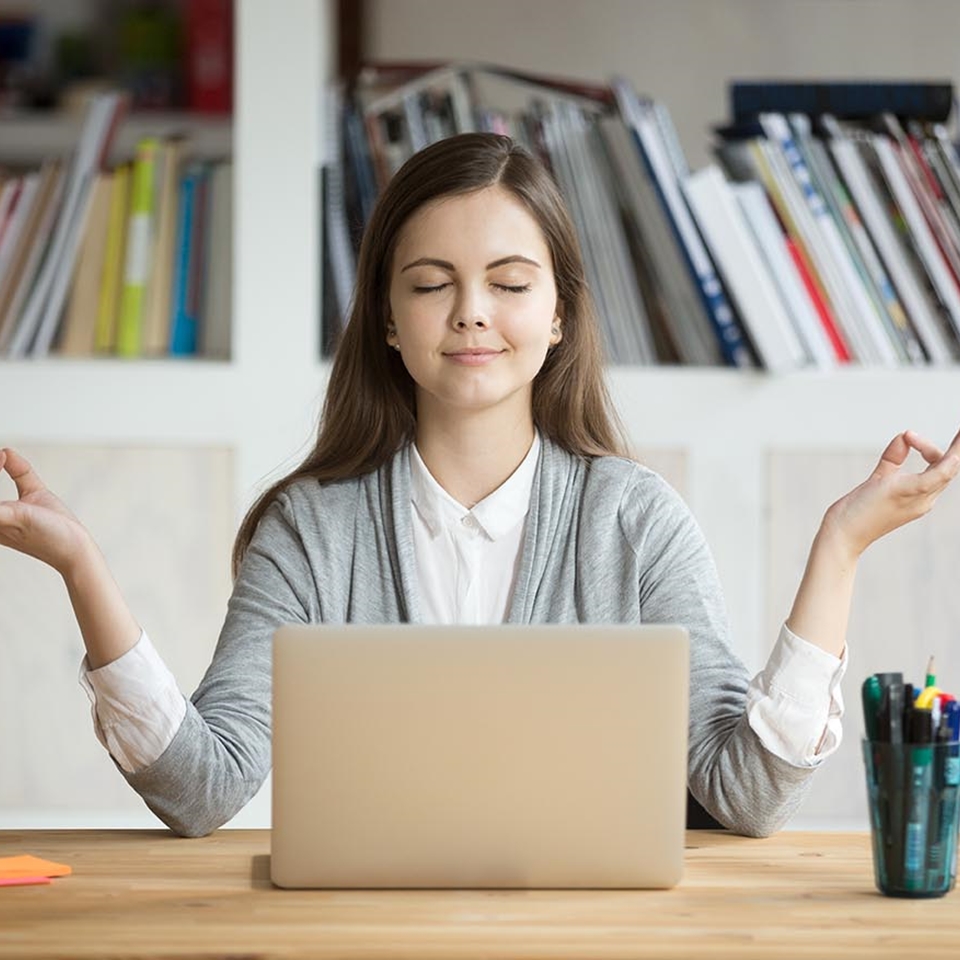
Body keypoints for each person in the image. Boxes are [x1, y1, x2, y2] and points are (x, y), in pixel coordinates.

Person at [1, 133, 958, 839]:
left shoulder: (635, 521)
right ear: (385, 317)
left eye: (508, 282)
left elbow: (742, 795)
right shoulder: (311, 530)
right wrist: (82, 565)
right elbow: (202, 791)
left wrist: (840, 545)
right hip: (360, 942)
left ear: (558, 315)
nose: (470, 314)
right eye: (429, 284)